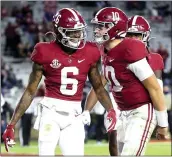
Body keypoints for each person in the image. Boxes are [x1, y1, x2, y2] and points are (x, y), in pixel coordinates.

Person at [2, 8, 116, 156]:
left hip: (75, 114)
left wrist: (111, 110)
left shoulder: (91, 50)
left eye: (79, 31)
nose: (77, 36)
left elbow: (99, 88)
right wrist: (11, 125)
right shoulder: (44, 51)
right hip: (51, 113)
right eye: (71, 32)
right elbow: (30, 91)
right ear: (58, 31)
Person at [85, 7, 169, 156]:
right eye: (98, 26)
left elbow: (156, 89)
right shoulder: (105, 50)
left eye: (103, 26)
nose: (98, 30)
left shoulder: (131, 49)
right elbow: (99, 85)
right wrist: (86, 111)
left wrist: (163, 123)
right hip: (122, 111)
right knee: (116, 153)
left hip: (140, 110)